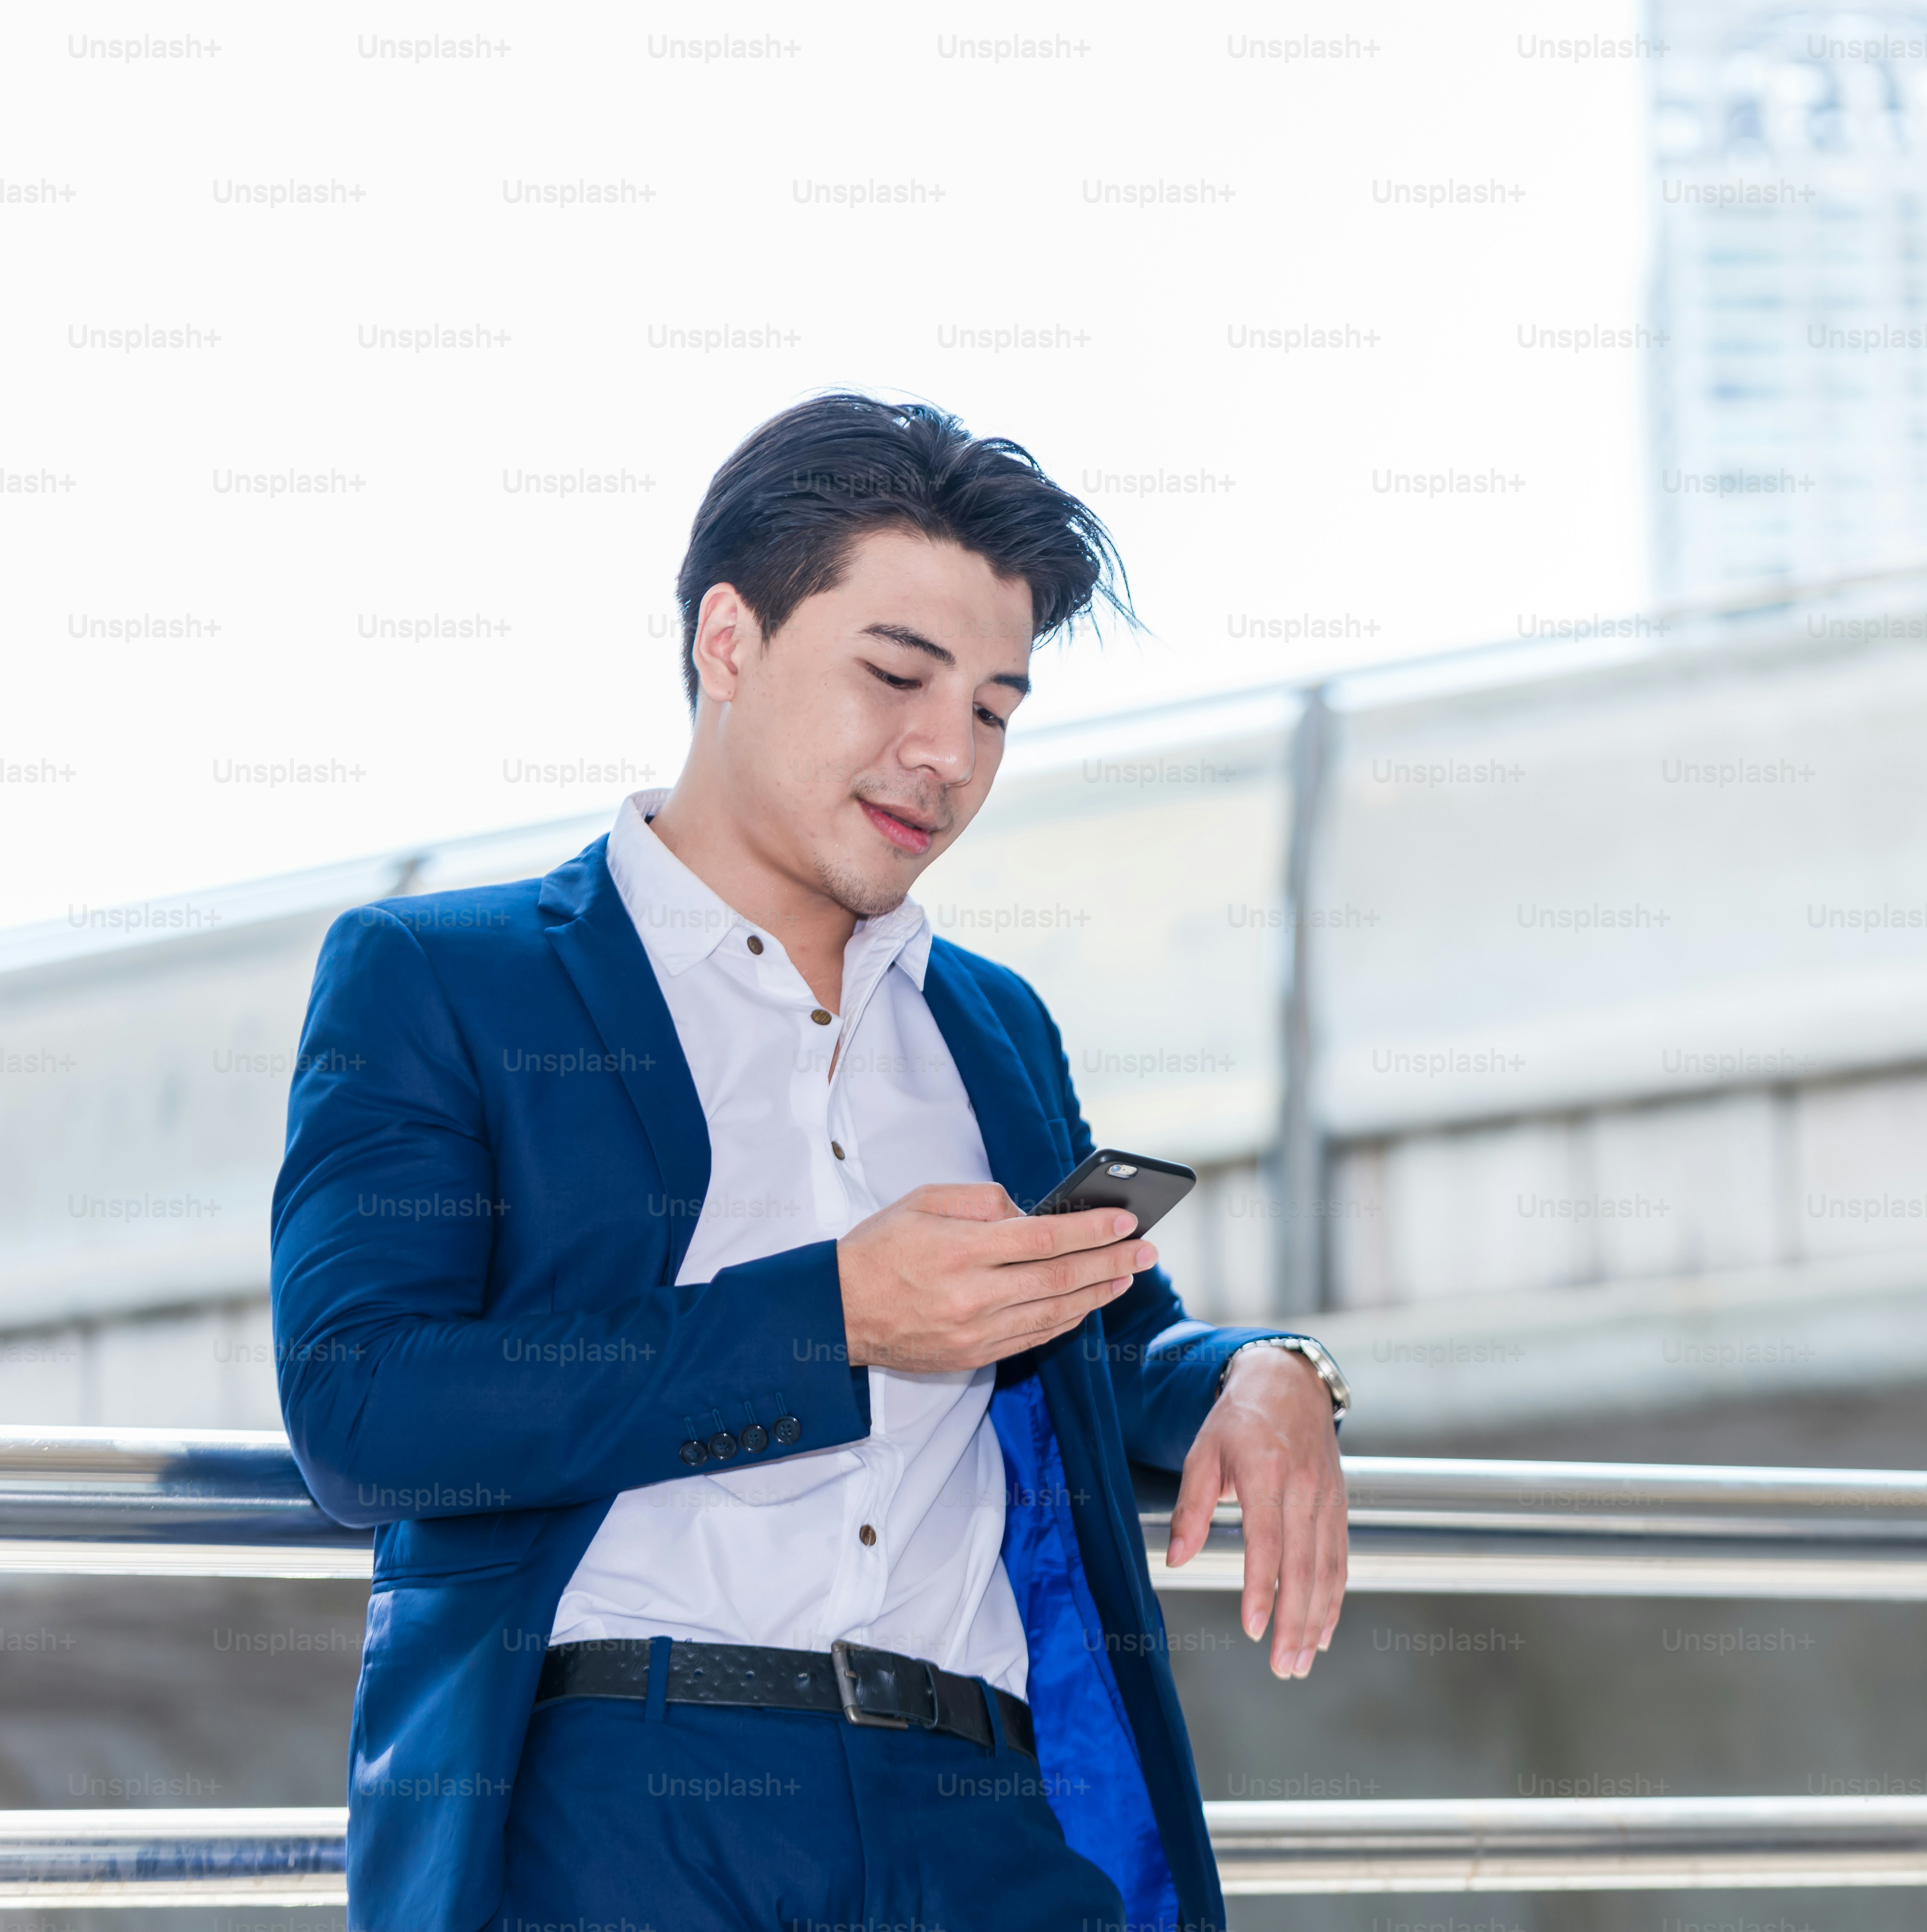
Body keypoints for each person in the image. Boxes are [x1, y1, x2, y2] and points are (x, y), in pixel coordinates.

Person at [270, 392, 1353, 1932]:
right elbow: (364, 1407)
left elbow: (1105, 1348)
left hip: (985, 1815)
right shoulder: (448, 977)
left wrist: (1266, 1369)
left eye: (994, 706)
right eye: (895, 675)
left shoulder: (994, 1026)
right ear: (728, 639)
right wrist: (832, 1318)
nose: (946, 754)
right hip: (622, 1801)